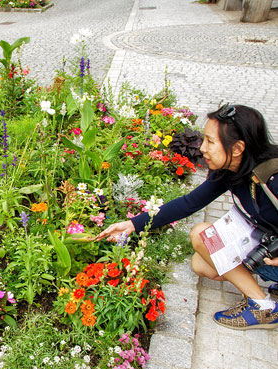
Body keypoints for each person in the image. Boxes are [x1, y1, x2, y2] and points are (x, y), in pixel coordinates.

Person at [95, 104, 278, 330]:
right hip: (266, 247)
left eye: (211, 142)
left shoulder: (273, 178)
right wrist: (132, 225)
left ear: (238, 147)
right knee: (202, 264)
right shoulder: (231, 169)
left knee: (201, 236)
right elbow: (189, 203)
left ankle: (264, 308)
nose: (202, 148)